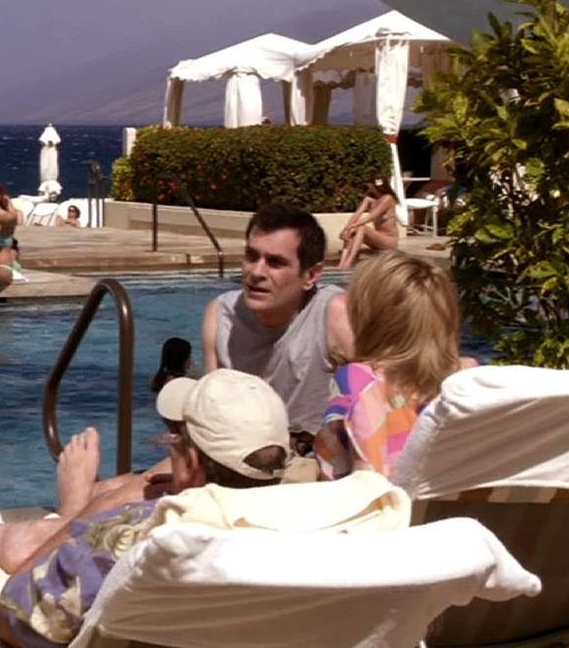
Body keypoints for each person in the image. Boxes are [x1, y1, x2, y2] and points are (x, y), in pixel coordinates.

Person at [0, 369, 290, 647]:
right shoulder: (304, 533)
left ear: (192, 464)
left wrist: (82, 515)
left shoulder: (132, 538)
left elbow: (15, 618)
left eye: (176, 436)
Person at [201, 203, 353, 452]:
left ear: (311, 275)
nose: (256, 272)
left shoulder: (335, 315)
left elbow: (377, 402)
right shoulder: (221, 315)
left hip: (313, 460)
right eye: (252, 256)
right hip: (239, 455)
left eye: (275, 262)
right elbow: (210, 416)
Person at [315, 251, 473, 480]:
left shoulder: (358, 381)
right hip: (453, 499)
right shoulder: (468, 379)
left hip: (382, 500)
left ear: (369, 320)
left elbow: (344, 472)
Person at [337, 179, 399, 270]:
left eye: (370, 185)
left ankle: (348, 262)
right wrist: (346, 229)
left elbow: (372, 216)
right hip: (376, 239)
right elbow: (357, 214)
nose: (368, 187)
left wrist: (353, 226)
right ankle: (341, 264)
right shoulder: (369, 199)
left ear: (375, 186)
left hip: (388, 240)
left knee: (361, 227)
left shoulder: (388, 198)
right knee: (351, 232)